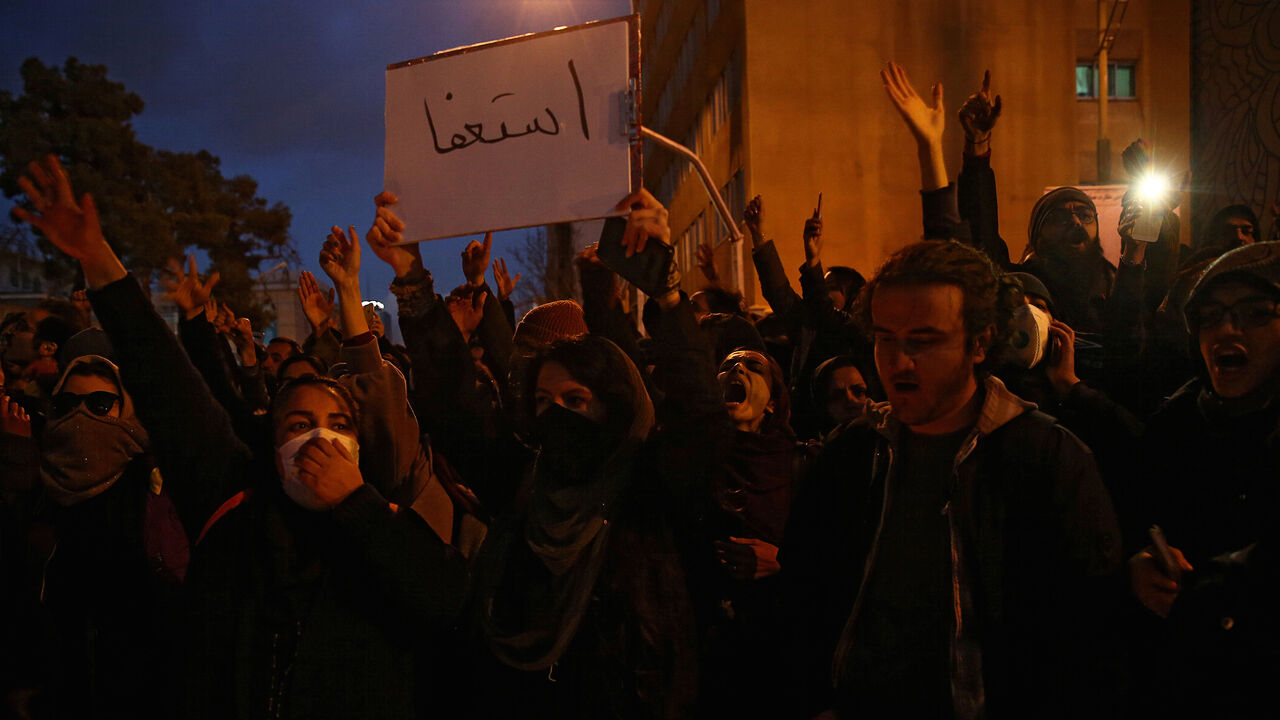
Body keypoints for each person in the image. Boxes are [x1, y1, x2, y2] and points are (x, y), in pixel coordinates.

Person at [13, 155, 467, 719]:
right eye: (298, 426)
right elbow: (170, 384)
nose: (319, 439)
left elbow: (445, 603)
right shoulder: (233, 506)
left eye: (338, 425)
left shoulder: (392, 523)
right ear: (271, 445)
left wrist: (358, 506)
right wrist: (98, 260)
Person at [782, 239, 1123, 718]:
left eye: (922, 341)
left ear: (980, 342)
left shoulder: (1047, 460)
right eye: (884, 338)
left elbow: (1089, 630)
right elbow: (801, 595)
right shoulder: (852, 454)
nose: (898, 361)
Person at [469, 189, 723, 718]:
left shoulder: (648, 485)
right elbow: (451, 408)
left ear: (610, 405)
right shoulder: (526, 484)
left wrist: (669, 298)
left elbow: (698, 415)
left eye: (576, 400)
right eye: (544, 402)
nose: (558, 415)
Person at [1127, 241, 1280, 718]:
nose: (1226, 329)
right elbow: (1138, 518)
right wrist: (1140, 567)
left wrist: (1225, 590)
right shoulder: (1174, 426)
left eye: (1256, 313)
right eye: (1210, 316)